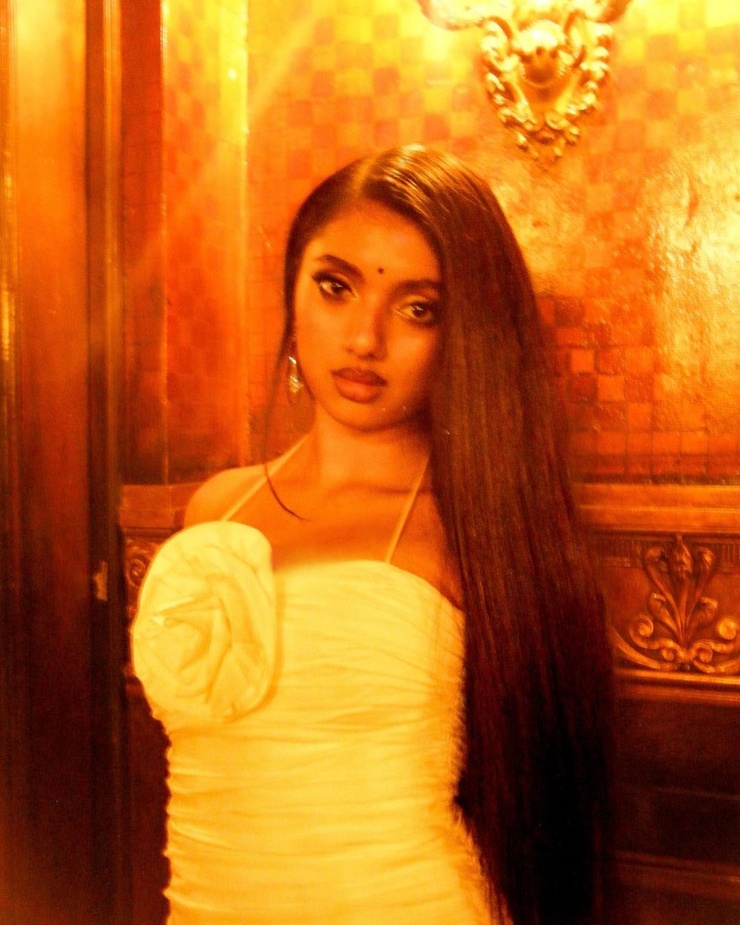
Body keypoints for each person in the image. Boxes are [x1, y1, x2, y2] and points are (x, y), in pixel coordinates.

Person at [132, 145, 614, 925]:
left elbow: (540, 801)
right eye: (336, 286)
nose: (364, 337)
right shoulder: (217, 510)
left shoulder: (480, 531)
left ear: (467, 334)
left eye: (418, 308)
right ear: (292, 290)